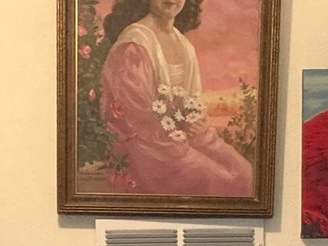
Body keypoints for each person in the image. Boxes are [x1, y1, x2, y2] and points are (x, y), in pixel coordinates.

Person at [98, 0, 252, 197]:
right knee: (219, 179)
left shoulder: (184, 45)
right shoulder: (134, 44)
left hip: (178, 141)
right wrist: (180, 144)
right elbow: (137, 118)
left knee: (243, 173)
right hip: (147, 148)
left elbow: (193, 107)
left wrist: (199, 131)